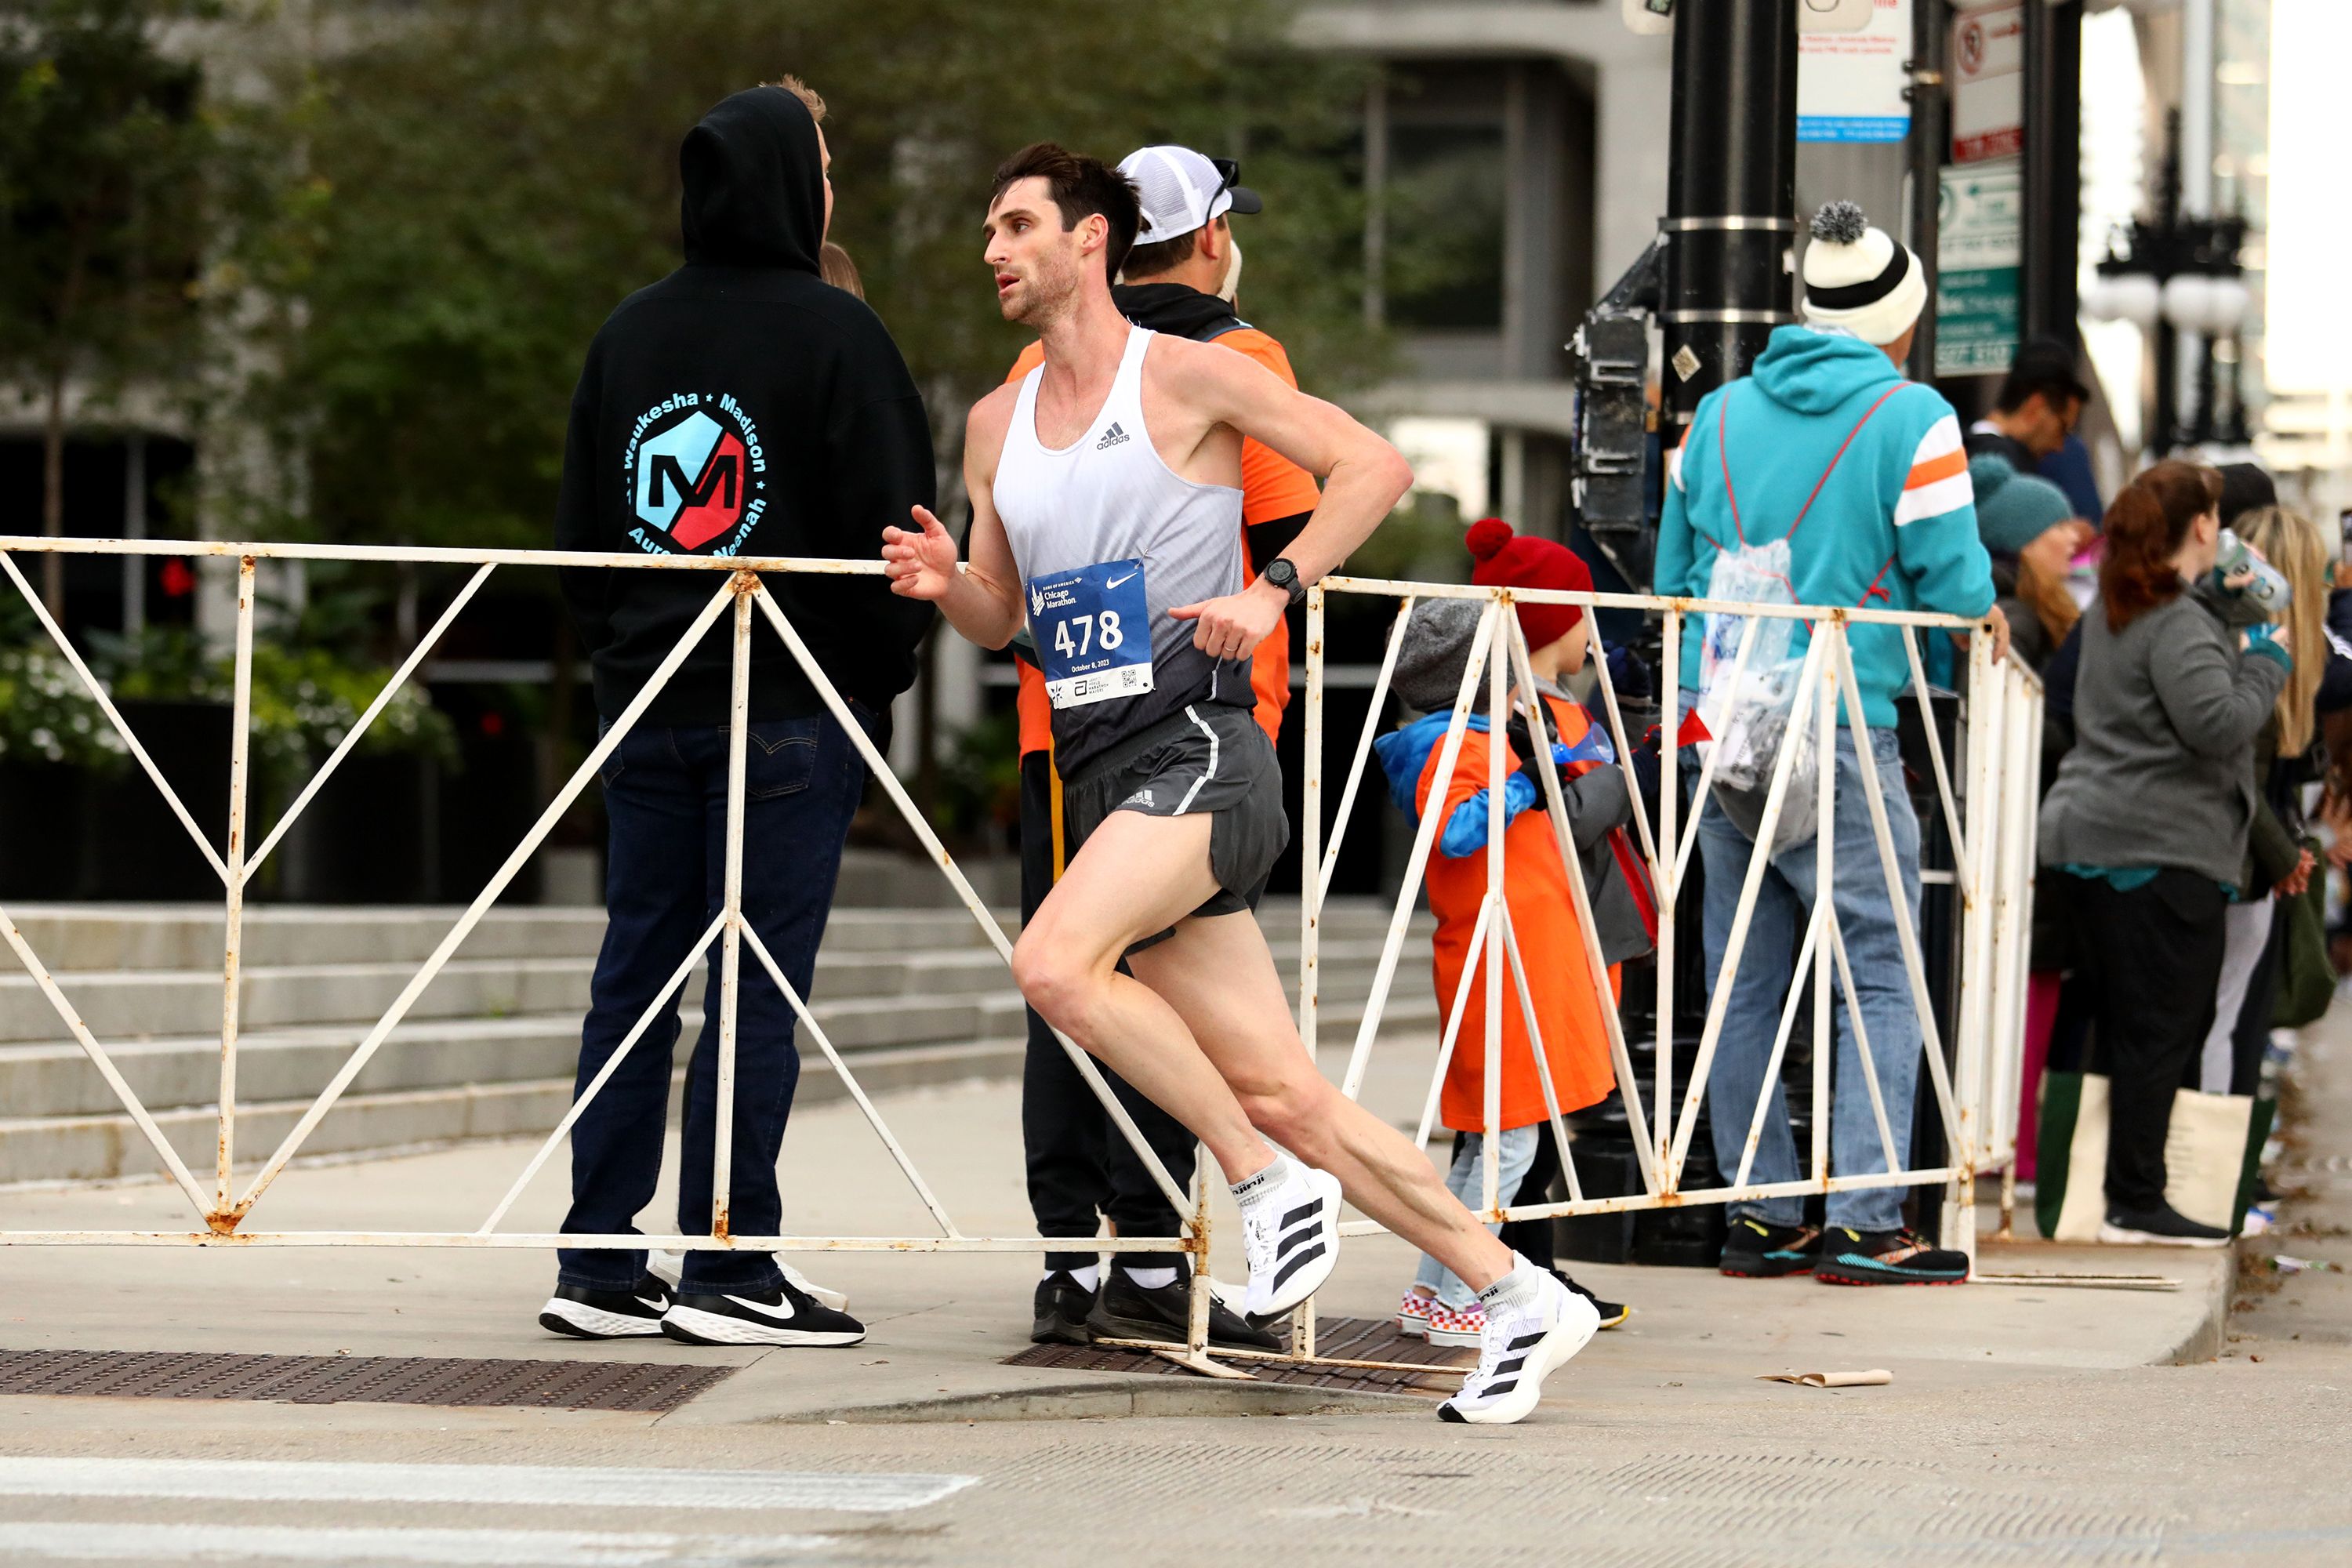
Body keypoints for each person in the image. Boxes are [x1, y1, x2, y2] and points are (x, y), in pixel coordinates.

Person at [883, 142, 1597, 1425]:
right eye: (988, 230)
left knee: (1053, 966)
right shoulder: (995, 423)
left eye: (1016, 225)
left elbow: (1373, 466)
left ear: (1091, 240)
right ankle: (1518, 1291)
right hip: (1103, 766)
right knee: (1287, 1090)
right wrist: (953, 587)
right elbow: (1006, 623)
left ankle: (1257, 1181)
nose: (992, 249)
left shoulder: (1198, 375)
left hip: (1201, 748)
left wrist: (1276, 592)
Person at [540, 78, 931, 1346]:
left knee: (637, 975)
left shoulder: (625, 336)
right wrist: (874, 680)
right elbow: (896, 537)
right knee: (753, 985)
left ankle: (599, 1260)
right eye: (820, 161)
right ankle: (727, 1265)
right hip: (784, 710)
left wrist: (617, 654)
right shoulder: (836, 335)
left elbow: (581, 543)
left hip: (646, 703)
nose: (830, 184)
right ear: (785, 181)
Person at [1653, 200, 2005, 1287]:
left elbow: (1672, 585)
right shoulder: (1915, 418)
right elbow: (1956, 585)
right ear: (1902, 320)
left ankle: (1758, 1212)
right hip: (1846, 720)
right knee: (1877, 971)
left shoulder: (1709, 421)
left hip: (1725, 725)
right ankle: (1864, 1217)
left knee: (1745, 971)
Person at [1004, 145, 1317, 1356]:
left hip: (1061, 727)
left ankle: (1066, 1262)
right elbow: (1290, 518)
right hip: (1203, 721)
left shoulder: (1046, 365)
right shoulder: (1234, 362)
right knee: (1161, 987)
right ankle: (1150, 1246)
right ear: (1211, 237)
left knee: (1067, 979)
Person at [1372, 535, 1651, 1345]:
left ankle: (1435, 1292)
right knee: (1505, 1149)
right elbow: (1456, 830)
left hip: (1524, 955)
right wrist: (1531, 776)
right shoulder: (1447, 744)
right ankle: (1472, 1294)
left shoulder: (1482, 739)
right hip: (1497, 962)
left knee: (1497, 1147)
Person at [2039, 462, 2288, 1247]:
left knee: (2123, 1024)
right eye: (2216, 517)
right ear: (2201, 527)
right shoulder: (2178, 618)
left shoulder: (2120, 604)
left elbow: (2263, 598)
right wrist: (2269, 662)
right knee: (2163, 1027)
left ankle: (2112, 1189)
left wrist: (2234, 591)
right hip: (2159, 850)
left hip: (2093, 841)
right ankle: (2136, 1198)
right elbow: (2215, 723)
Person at [1963, 338, 2089, 474]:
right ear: (2035, 408)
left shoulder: (1953, 448)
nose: (2060, 447)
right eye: (2062, 428)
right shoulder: (2011, 469)